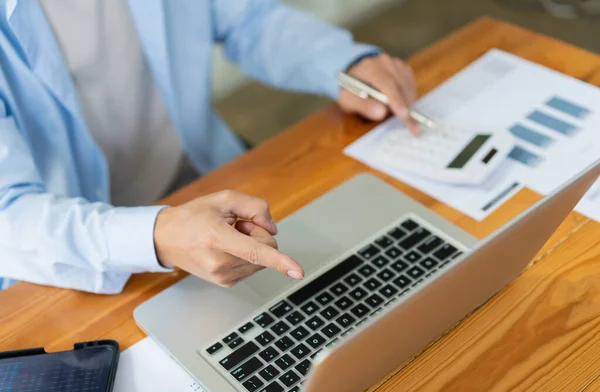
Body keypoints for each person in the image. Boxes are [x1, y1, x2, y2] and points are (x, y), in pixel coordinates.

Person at [0, 0, 418, 294]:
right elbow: (10, 215)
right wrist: (157, 235)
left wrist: (342, 64)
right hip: (65, 256)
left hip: (198, 178)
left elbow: (246, 19)